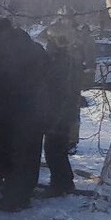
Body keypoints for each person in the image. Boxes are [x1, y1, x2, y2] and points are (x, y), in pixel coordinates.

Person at [0, 15, 49, 211]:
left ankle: (14, 199)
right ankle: (25, 192)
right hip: (36, 109)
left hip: (12, 111)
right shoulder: (34, 48)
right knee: (30, 154)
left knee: (14, 153)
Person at [40, 27, 84, 195]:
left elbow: (60, 90)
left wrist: (55, 116)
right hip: (62, 112)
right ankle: (62, 181)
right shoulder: (66, 60)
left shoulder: (61, 62)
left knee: (54, 150)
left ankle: (61, 184)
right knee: (56, 149)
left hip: (60, 113)